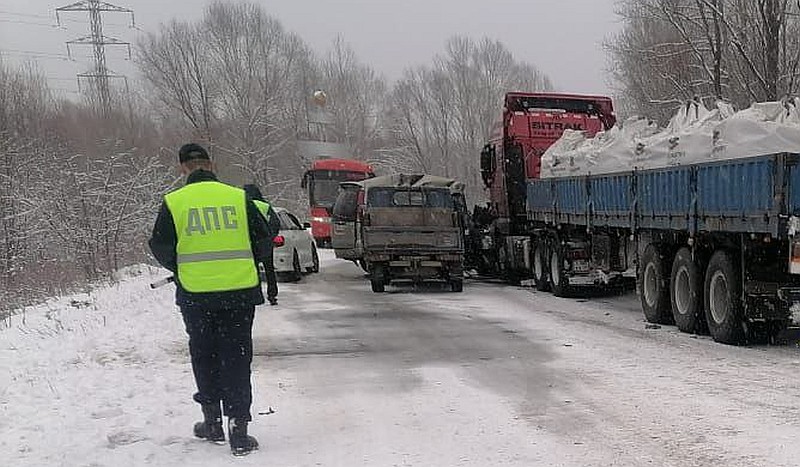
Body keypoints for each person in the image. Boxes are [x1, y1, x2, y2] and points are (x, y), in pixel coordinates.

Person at [148, 143, 269, 456]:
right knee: (237, 356)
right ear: (210, 165)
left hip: (196, 295)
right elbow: (265, 238)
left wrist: (182, 267)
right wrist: (248, 262)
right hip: (239, 293)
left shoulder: (174, 202)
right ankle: (239, 428)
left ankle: (212, 420)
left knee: (204, 355)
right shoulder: (237, 197)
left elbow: (160, 245)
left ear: (182, 168)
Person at [243, 183, 280, 306]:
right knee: (269, 270)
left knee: (254, 270)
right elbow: (275, 222)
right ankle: (272, 295)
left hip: (250, 243)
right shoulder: (265, 206)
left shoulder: (244, 206)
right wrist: (271, 236)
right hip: (265, 243)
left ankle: (257, 293)